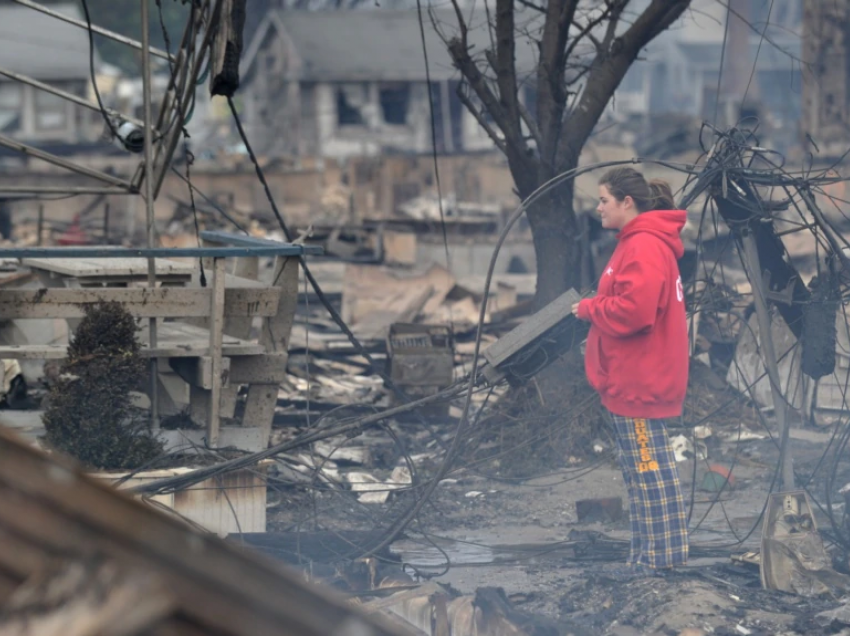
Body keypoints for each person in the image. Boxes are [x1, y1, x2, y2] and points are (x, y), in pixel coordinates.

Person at [571, 167, 689, 576]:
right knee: (647, 472)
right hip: (635, 379)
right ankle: (652, 558)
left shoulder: (642, 246)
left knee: (648, 472)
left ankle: (657, 564)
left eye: (604, 199)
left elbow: (634, 313)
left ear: (627, 202)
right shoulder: (642, 243)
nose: (597, 207)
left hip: (638, 382)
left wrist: (589, 309)